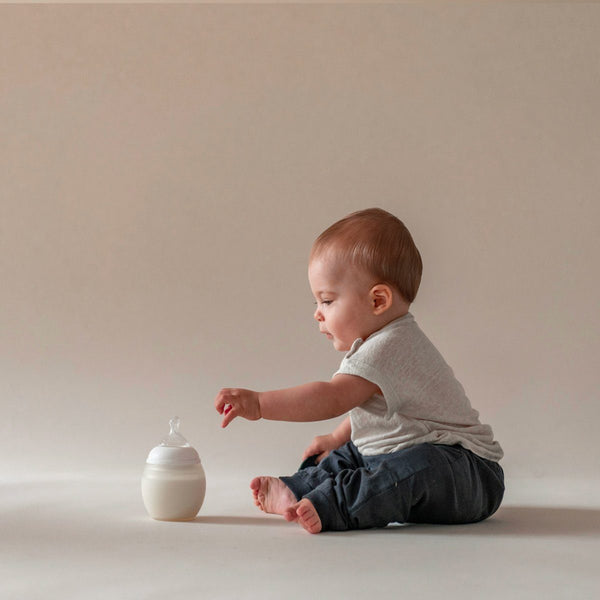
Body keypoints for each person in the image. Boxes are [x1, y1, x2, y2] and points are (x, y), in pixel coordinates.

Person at [214, 208, 504, 534]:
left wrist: (259, 404)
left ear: (377, 300)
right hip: (416, 454)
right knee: (352, 453)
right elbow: (376, 412)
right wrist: (336, 438)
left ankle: (336, 503)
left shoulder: (390, 345)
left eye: (327, 301)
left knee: (412, 466)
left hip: (469, 474)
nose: (318, 314)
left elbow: (332, 397)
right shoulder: (382, 342)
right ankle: (300, 487)